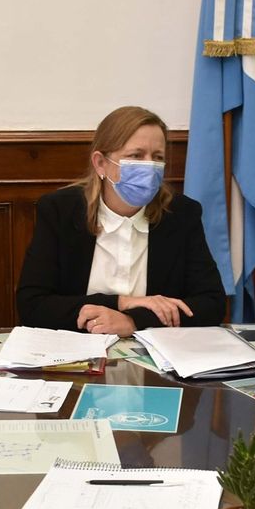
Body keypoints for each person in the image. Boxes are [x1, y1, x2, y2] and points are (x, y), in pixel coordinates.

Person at [15, 105, 226, 336]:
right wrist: (122, 302)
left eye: (157, 157)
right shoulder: (60, 210)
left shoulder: (181, 214)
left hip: (155, 357)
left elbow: (211, 304)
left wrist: (133, 321)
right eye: (136, 156)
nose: (149, 166)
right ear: (101, 163)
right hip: (77, 352)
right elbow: (33, 305)